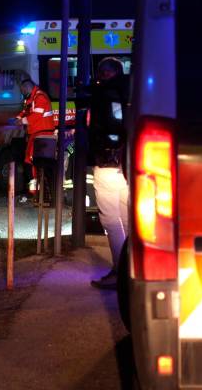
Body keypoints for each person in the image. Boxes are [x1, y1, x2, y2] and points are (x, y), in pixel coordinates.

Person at [89, 57, 130, 289]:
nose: (98, 75)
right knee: (127, 217)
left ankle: (119, 271)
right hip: (128, 164)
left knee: (111, 221)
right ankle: (133, 267)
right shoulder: (133, 91)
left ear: (106, 73)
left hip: (109, 163)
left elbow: (114, 124)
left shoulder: (108, 94)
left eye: (101, 71)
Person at [11, 79, 59, 193]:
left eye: (22, 90)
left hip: (43, 134)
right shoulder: (31, 98)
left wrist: (21, 121)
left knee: (33, 160)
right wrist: (18, 118)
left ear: (27, 87)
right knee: (30, 159)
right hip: (37, 134)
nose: (22, 92)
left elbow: (35, 116)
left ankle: (42, 190)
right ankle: (38, 189)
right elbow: (26, 111)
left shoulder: (40, 97)